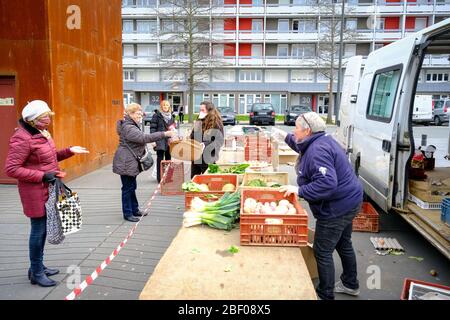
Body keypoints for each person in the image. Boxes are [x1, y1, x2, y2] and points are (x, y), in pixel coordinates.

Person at [271, 112, 363, 301]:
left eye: (295, 128)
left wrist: (298, 190)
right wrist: (284, 136)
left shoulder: (318, 150)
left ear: (307, 130)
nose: (293, 131)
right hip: (350, 199)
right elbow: (300, 144)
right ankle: (350, 283)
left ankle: (324, 294)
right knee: (343, 243)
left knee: (322, 251)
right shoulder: (319, 139)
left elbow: (327, 183)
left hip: (337, 207)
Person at [4, 100, 89, 287]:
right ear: (32, 120)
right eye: (44, 118)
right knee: (38, 231)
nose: (48, 120)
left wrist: (69, 151)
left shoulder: (41, 133)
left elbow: (48, 159)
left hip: (48, 187)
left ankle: (38, 266)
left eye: (48, 116)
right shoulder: (23, 137)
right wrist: (43, 176)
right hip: (34, 191)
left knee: (42, 230)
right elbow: (11, 169)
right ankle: (36, 272)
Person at [113, 103, 175, 222]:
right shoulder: (129, 127)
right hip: (126, 161)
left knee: (132, 186)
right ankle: (128, 213)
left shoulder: (131, 124)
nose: (140, 115)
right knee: (127, 188)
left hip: (129, 160)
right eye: (137, 113)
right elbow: (144, 138)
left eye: (141, 112)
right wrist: (164, 134)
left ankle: (135, 209)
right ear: (130, 114)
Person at [190, 101, 224, 178]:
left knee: (209, 179)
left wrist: (205, 144)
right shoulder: (199, 120)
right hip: (196, 155)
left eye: (202, 110)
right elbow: (193, 135)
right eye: (200, 110)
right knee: (194, 178)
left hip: (208, 157)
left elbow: (219, 141)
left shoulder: (216, 123)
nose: (200, 112)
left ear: (209, 111)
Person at [150, 100, 175, 183]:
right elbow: (153, 128)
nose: (166, 107)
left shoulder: (171, 116)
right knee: (160, 159)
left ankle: (168, 177)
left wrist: (174, 131)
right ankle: (159, 178)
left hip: (169, 141)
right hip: (159, 140)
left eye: (167, 105)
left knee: (168, 159)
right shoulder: (156, 115)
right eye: (164, 105)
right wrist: (153, 141)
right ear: (161, 106)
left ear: (169, 107)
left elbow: (173, 127)